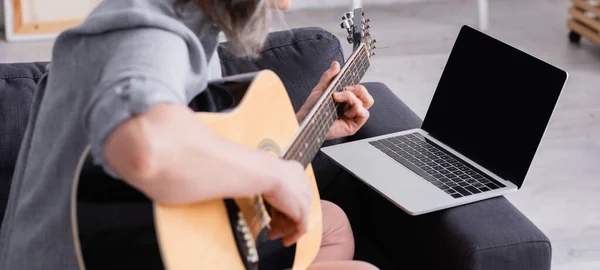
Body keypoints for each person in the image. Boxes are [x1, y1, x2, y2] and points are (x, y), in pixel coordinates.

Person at [0, 0, 378, 269]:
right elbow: (146, 147)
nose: (285, 4)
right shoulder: (148, 33)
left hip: (149, 231)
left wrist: (304, 123)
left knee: (331, 222)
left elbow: (202, 146)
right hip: (101, 254)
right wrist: (275, 172)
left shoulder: (189, 24)